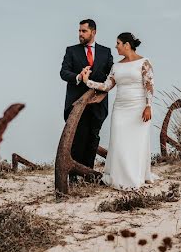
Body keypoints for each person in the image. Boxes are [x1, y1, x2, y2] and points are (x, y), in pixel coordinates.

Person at [81, 32, 158, 189]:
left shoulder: (144, 62)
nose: (116, 46)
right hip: (120, 109)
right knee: (119, 142)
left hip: (139, 108)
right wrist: (87, 81)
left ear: (127, 45)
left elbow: (149, 85)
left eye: (118, 43)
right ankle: (120, 177)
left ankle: (135, 176)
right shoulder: (116, 66)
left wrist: (148, 106)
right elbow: (107, 86)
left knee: (137, 143)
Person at [59, 19, 113, 180]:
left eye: (84, 31)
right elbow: (63, 72)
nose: (80, 34)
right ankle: (73, 176)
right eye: (79, 31)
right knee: (77, 138)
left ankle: (88, 174)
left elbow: (111, 75)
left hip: (98, 103)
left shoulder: (106, 52)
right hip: (76, 103)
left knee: (93, 137)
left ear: (93, 32)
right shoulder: (71, 51)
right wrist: (78, 76)